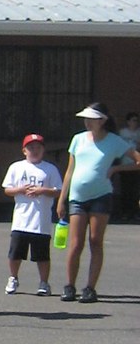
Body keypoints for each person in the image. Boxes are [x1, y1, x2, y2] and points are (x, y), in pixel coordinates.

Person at [56, 103, 140, 303]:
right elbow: (70, 171)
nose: (87, 122)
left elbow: (137, 160)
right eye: (85, 118)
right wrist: (62, 199)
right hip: (77, 196)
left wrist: (115, 170)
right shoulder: (78, 140)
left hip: (101, 196)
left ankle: (90, 288)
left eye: (91, 118)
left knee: (95, 241)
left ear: (102, 120)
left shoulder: (114, 141)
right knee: (75, 244)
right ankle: (69, 286)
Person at [1, 134, 63, 296]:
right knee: (15, 253)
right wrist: (21, 190)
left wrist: (42, 190)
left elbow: (58, 191)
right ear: (24, 151)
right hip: (21, 219)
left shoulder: (50, 169)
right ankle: (13, 278)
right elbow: (7, 189)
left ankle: (44, 283)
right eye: (31, 148)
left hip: (41, 221)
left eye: (38, 148)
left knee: (42, 255)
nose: (34, 151)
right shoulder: (16, 167)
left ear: (43, 150)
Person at [117, 112, 140, 221]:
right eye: (133, 120)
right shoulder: (122, 133)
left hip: (136, 165)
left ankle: (135, 212)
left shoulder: (139, 133)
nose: (135, 123)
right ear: (128, 122)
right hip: (124, 164)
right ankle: (125, 212)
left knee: (135, 190)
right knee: (125, 189)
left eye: (136, 120)